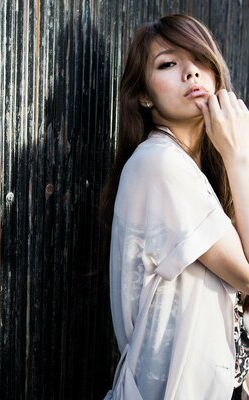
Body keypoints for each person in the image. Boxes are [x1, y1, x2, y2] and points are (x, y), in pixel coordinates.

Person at [102, 14, 249, 399]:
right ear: (145, 95)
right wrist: (239, 157)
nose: (190, 73)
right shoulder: (159, 164)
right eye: (168, 63)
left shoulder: (198, 170)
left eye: (199, 60)